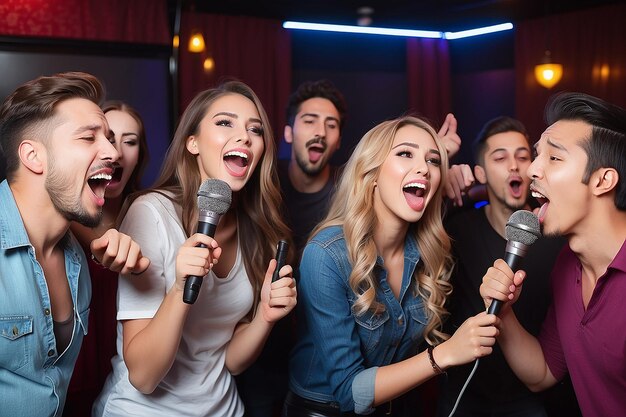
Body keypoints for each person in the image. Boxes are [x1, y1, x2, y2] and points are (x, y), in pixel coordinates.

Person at [93, 80, 297, 417]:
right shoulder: (150, 213)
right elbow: (143, 377)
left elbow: (228, 361)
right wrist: (178, 288)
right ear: (193, 143)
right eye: (224, 122)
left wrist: (264, 317)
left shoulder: (256, 229)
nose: (244, 136)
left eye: (255, 129)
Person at [284, 115, 500, 417]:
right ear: (371, 173)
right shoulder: (326, 254)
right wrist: (444, 354)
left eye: (433, 161)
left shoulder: (427, 249)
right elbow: (349, 393)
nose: (424, 168)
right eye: (405, 153)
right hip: (323, 410)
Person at [0, 71, 150, 417]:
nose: (113, 153)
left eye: (110, 139)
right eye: (88, 138)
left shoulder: (75, 260)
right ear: (34, 157)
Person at [480, 92, 626, 417]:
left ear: (603, 180)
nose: (531, 169)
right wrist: (503, 312)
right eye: (537, 155)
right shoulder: (566, 265)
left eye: (554, 158)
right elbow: (543, 372)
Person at [437, 116, 579, 417]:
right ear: (481, 173)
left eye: (523, 156)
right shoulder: (456, 228)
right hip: (467, 392)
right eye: (500, 158)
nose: (514, 165)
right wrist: (439, 179)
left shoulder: (559, 236)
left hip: (536, 397)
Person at [236, 79, 347, 417]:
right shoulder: (260, 186)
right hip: (259, 353)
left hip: (323, 362)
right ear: (288, 133)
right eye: (310, 121)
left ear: (338, 138)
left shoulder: (350, 195)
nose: (320, 132)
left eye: (331, 125)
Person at [64, 101, 150, 417]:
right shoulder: (66, 216)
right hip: (77, 365)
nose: (117, 152)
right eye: (110, 138)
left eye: (131, 141)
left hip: (131, 368)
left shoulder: (151, 212)